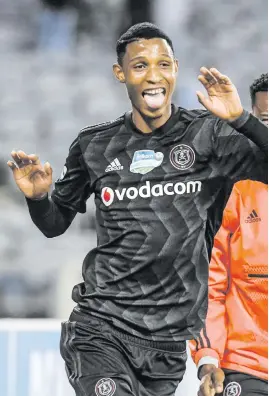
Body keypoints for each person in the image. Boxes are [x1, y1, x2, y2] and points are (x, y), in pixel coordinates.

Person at [7, 23, 267, 396]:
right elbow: (54, 225)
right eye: (140, 65)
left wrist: (240, 119)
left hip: (168, 342)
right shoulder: (94, 145)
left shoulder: (209, 136)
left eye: (163, 64)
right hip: (102, 327)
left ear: (175, 69)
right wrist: (37, 199)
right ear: (121, 73)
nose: (153, 75)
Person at [190, 73, 268, 396]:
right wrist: (208, 358)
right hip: (246, 365)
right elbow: (212, 285)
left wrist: (242, 120)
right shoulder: (235, 195)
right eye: (264, 121)